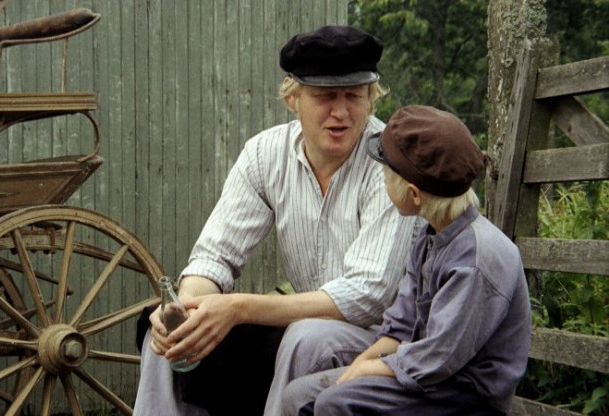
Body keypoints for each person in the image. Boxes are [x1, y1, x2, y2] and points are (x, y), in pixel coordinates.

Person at [133, 25, 419, 416]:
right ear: (292, 98)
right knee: (170, 327)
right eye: (325, 96)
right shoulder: (265, 154)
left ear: (371, 98)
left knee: (306, 337)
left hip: (387, 343)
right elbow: (215, 257)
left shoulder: (389, 161)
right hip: (304, 330)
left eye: (354, 95)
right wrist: (187, 307)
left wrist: (239, 307)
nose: (340, 112)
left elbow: (367, 295)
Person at [280, 105, 532, 416]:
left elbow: (440, 358)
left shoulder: (475, 261)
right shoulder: (430, 237)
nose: (382, 181)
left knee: (336, 403)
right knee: (299, 395)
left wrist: (369, 371)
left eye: (386, 176)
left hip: (466, 395)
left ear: (413, 194)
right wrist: (361, 365)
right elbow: (401, 326)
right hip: (425, 377)